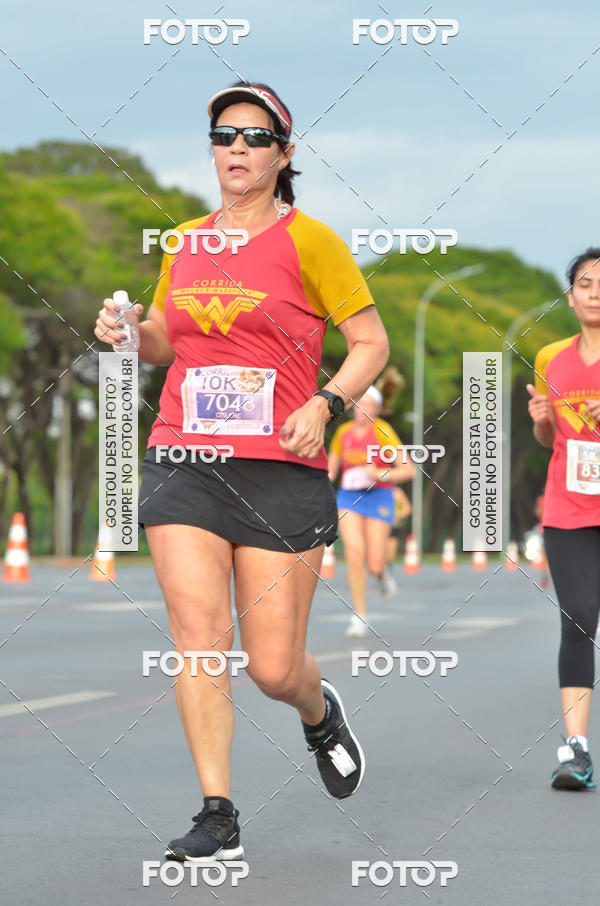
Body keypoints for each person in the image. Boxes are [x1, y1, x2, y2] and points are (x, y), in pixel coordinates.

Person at [94, 81, 390, 860]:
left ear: (284, 156)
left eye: (257, 138)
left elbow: (371, 343)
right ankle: (217, 814)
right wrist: (129, 331)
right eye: (226, 134)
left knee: (271, 666)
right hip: (184, 460)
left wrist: (326, 402)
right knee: (197, 635)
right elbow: (167, 340)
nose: (238, 148)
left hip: (279, 470)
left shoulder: (312, 241)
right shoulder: (186, 241)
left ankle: (317, 711)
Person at [527, 246, 600, 790]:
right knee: (577, 618)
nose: (594, 291)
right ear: (570, 294)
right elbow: (550, 439)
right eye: (584, 282)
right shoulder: (551, 356)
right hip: (569, 504)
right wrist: (541, 422)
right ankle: (577, 750)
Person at [327, 386, 415, 636]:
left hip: (379, 496)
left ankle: (383, 575)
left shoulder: (383, 431)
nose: (362, 407)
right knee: (354, 552)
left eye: (369, 403)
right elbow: (332, 470)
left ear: (377, 407)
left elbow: (408, 470)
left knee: (374, 564)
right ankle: (359, 615)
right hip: (349, 496)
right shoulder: (343, 433)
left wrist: (379, 473)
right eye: (359, 402)